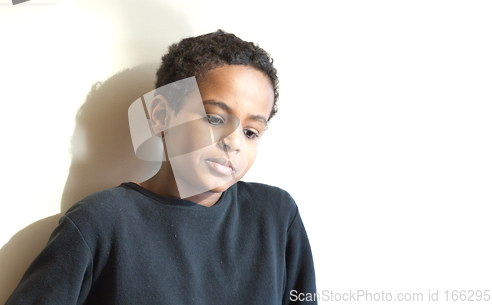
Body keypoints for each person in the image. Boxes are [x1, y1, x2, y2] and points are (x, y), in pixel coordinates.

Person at [6, 30, 317, 304]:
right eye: (214, 118)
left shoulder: (277, 216)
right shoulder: (99, 222)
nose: (233, 142)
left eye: (251, 132)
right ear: (161, 116)